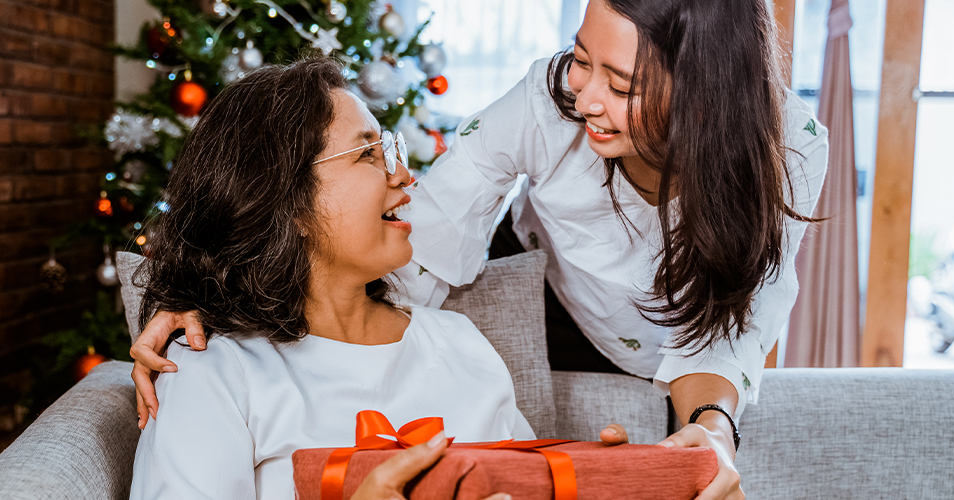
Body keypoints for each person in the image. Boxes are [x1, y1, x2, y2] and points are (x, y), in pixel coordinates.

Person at [131, 1, 828, 499]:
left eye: (620, 85)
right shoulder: (214, 377)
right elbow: (430, 224)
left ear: (703, 100)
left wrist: (585, 477)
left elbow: (727, 333)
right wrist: (204, 295)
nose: (582, 95)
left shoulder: (460, 351)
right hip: (554, 289)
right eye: (581, 60)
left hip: (686, 343)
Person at [129, 59, 558, 499]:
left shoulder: (460, 342)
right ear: (288, 202)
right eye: (367, 154)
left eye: (390, 150)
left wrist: (610, 474)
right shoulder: (213, 372)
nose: (404, 177)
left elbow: (534, 483)